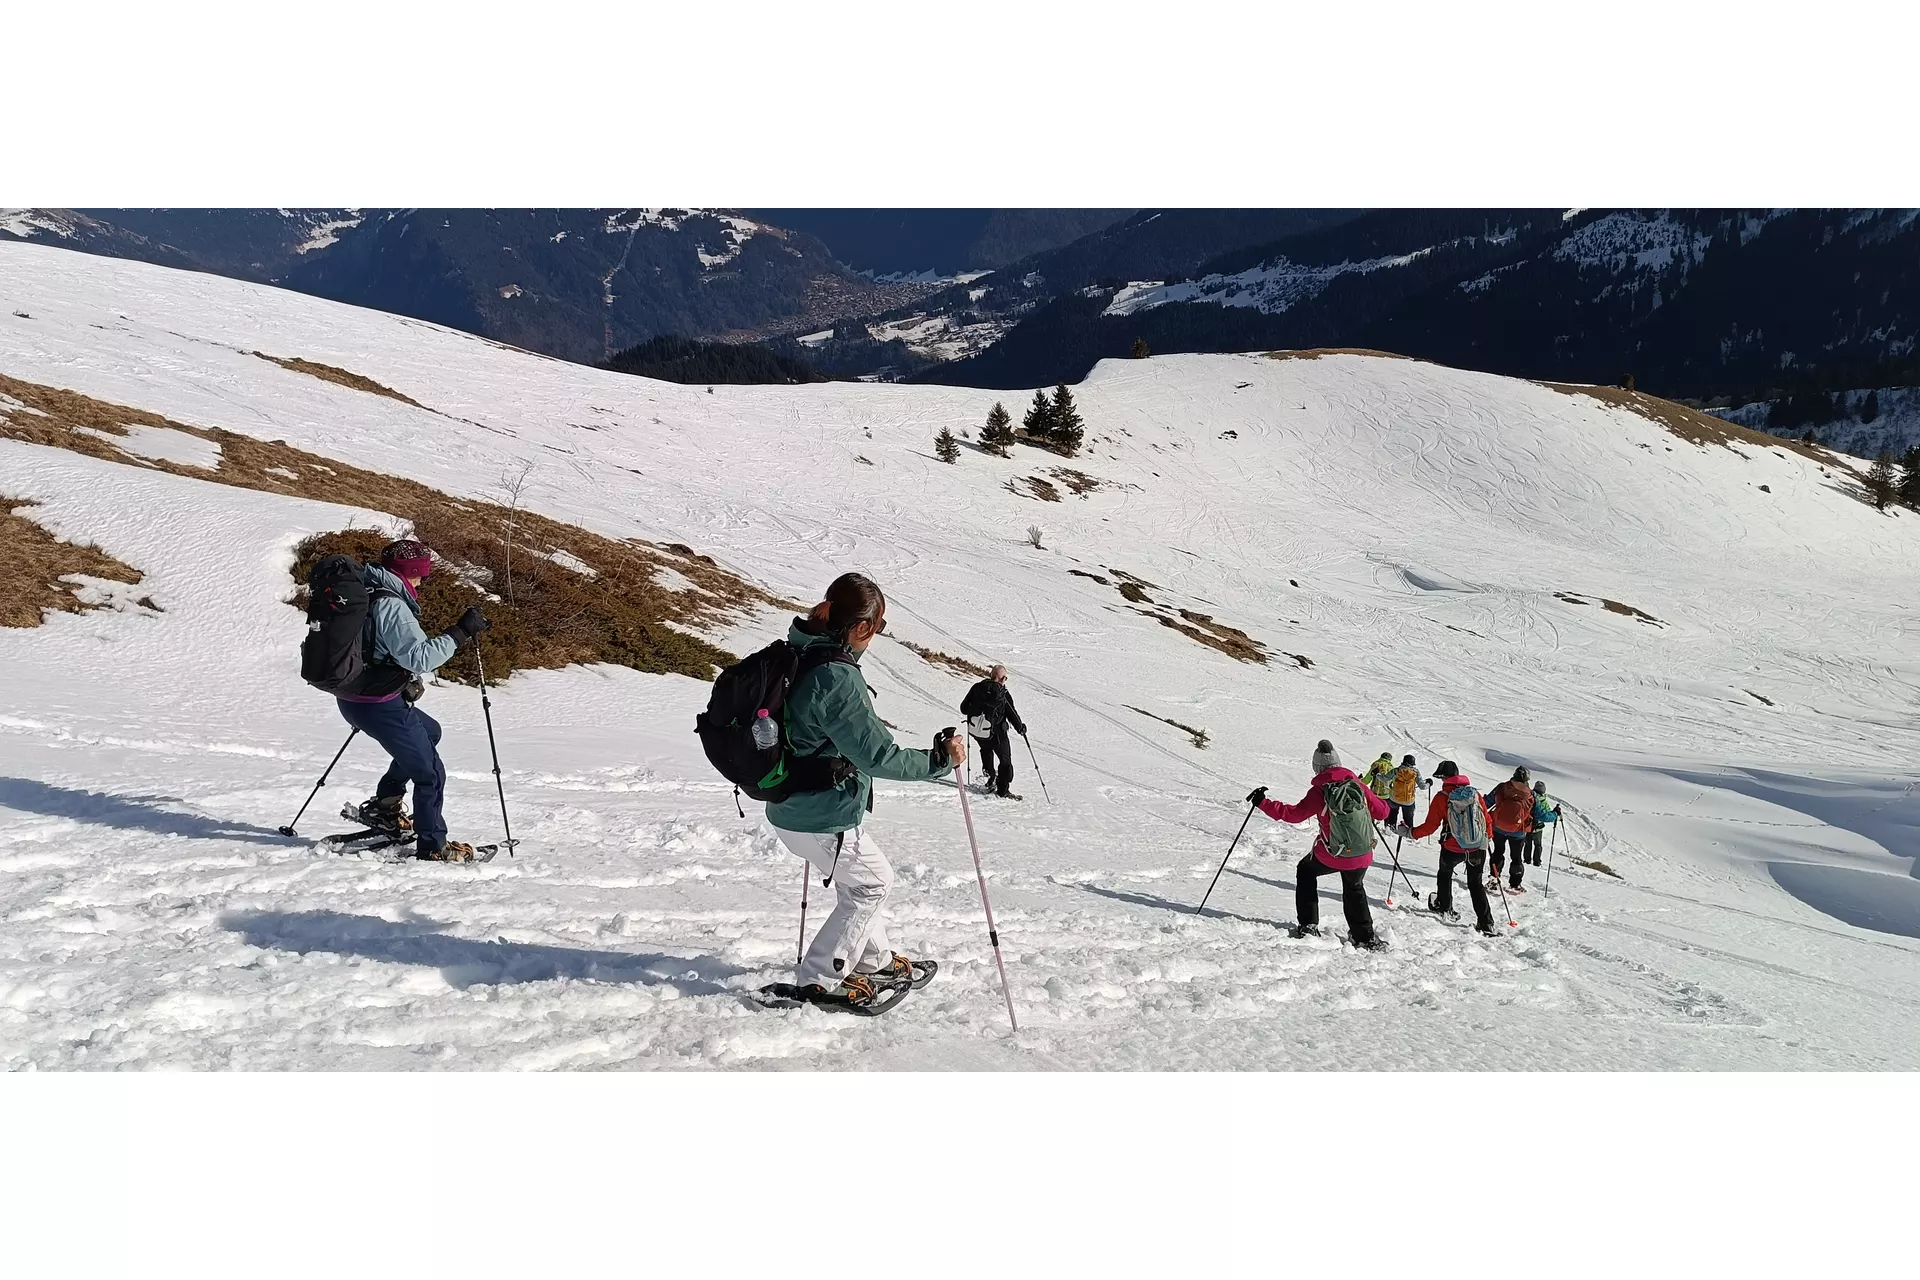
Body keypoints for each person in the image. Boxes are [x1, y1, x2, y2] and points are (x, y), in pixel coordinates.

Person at [767, 573, 964, 1008]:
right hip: (822, 814)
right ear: (862, 627)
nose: (875, 637)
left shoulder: (801, 649)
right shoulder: (835, 677)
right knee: (873, 885)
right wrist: (939, 761)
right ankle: (820, 978)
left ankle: (874, 960)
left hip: (791, 804)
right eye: (879, 628)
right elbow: (877, 756)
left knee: (857, 884)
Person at [336, 538, 490, 862]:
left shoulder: (365, 589)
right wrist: (460, 632)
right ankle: (433, 847)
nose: (422, 580)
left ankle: (385, 808)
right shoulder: (392, 606)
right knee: (431, 774)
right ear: (410, 573)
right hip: (378, 705)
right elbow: (421, 658)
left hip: (352, 697)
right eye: (421, 574)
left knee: (430, 732)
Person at [1249, 739, 1389, 950]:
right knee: (1354, 886)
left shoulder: (1320, 791)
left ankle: (1308, 925)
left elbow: (1294, 815)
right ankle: (1365, 937)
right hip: (1363, 852)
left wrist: (1263, 802)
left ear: (1317, 768)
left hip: (1333, 853)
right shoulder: (1357, 785)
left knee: (1305, 870)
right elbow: (1383, 812)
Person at [1406, 760, 1497, 935]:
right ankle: (1486, 924)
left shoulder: (1442, 797)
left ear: (1443, 777)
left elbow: (1430, 827)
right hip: (1477, 847)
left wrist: (1411, 833)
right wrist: (1488, 837)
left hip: (1452, 848)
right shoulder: (1474, 794)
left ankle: (1445, 907)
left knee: (1445, 873)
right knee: (1475, 884)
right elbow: (1486, 819)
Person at [960, 664, 1027, 799]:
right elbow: (1011, 713)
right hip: (997, 734)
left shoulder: (977, 688)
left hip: (978, 731)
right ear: (1001, 679)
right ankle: (1003, 790)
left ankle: (990, 776)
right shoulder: (1003, 693)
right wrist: (1020, 727)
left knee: (986, 750)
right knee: (1005, 761)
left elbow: (964, 708)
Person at [1487, 766, 1535, 890]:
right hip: (1518, 832)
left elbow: (1487, 802)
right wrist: (1555, 814)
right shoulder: (1530, 793)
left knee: (1498, 852)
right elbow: (1539, 813)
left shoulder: (1502, 787)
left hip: (1498, 827)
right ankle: (1515, 884)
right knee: (1516, 857)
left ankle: (1494, 880)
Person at [1525, 780, 1561, 866]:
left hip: (1528, 826)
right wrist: (1556, 814)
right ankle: (1537, 862)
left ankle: (1527, 860)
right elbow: (1547, 813)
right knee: (1538, 845)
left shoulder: (1529, 797)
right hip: (1538, 827)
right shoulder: (1543, 801)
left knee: (1528, 844)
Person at [1388, 753, 1421, 828]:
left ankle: (1391, 827)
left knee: (1393, 813)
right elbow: (1422, 786)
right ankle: (1409, 832)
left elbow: (1384, 778)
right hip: (1408, 801)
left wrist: (1377, 775)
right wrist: (1429, 783)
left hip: (1394, 798)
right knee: (1408, 818)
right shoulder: (1415, 773)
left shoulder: (1396, 770)